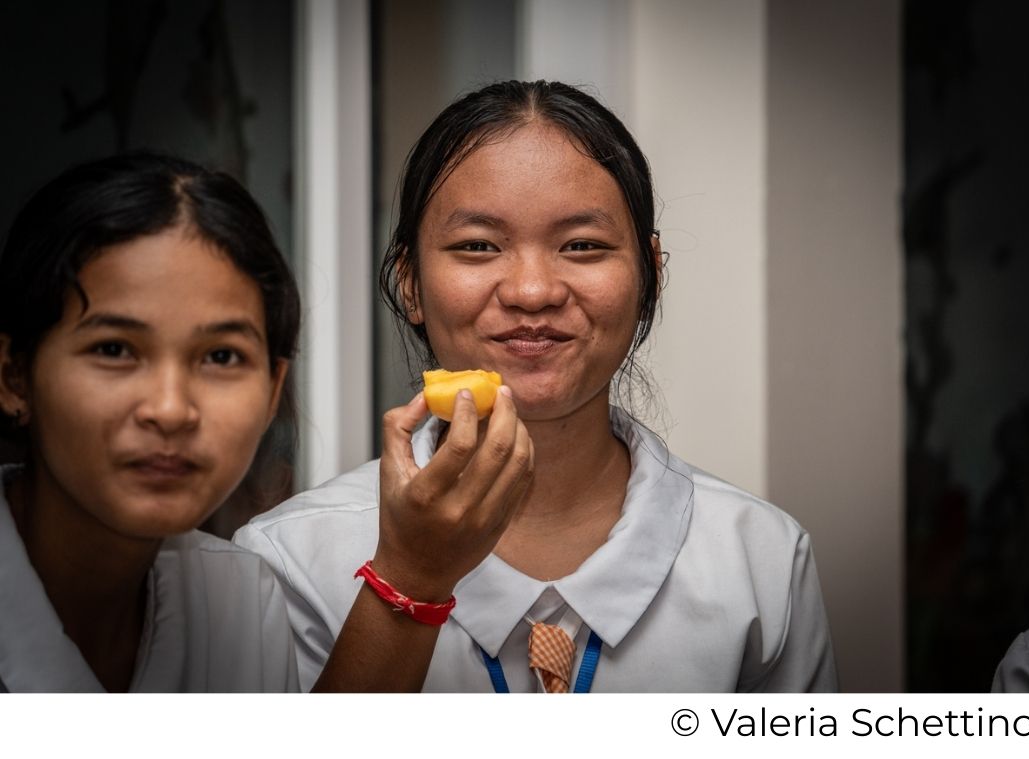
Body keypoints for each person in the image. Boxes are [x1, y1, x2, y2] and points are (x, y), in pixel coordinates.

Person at [235, 80, 837, 692]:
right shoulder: (290, 562)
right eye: (477, 246)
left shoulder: (761, 561)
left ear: (650, 276)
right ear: (410, 281)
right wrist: (407, 580)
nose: (532, 291)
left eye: (582, 245)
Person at [0, 152, 531, 692]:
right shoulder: (275, 564)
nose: (170, 408)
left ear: (274, 388)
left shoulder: (239, 596)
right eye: (114, 349)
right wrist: (411, 574)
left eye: (222, 357)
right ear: (13, 375)